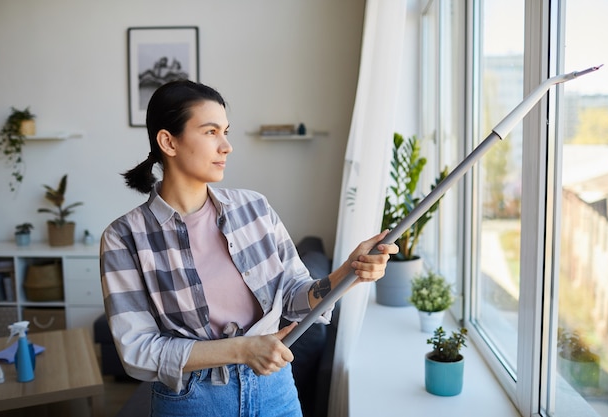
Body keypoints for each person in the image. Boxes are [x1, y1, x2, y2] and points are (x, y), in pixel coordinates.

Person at [100, 80, 398, 417]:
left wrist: (349, 272)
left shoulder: (254, 208)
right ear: (168, 141)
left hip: (275, 391)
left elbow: (292, 297)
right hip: (193, 401)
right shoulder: (124, 238)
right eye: (211, 132)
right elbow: (137, 351)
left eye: (226, 131)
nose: (226, 146)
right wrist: (243, 349)